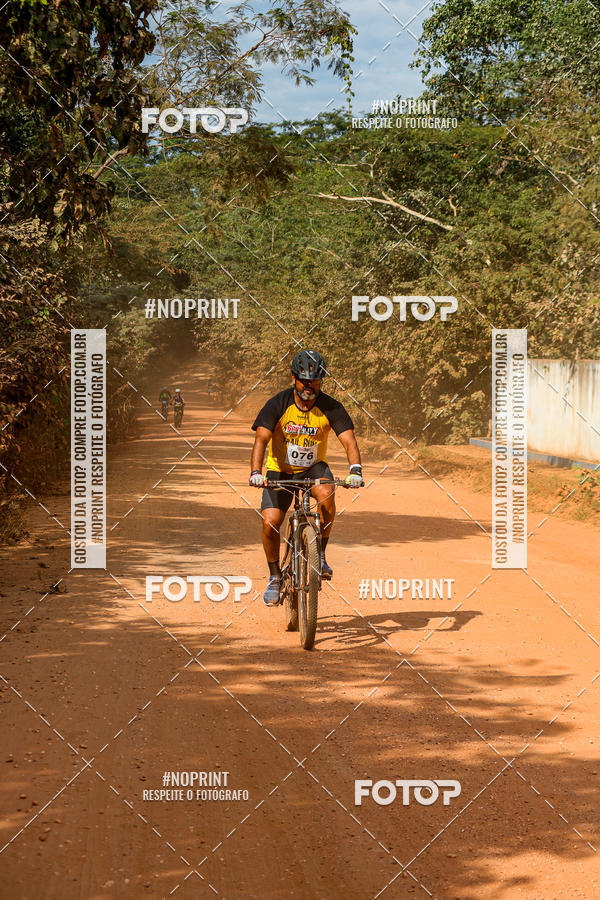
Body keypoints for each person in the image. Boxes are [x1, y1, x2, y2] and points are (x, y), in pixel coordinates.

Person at [249, 350, 363, 606]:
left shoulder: (331, 406)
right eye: (304, 381)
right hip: (280, 470)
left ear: (321, 381)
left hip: (313, 469)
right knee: (271, 523)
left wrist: (355, 469)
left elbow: (349, 440)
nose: (309, 387)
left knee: (327, 499)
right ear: (294, 378)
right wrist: (256, 472)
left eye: (315, 382)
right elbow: (261, 440)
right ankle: (275, 577)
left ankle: (320, 554)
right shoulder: (277, 404)